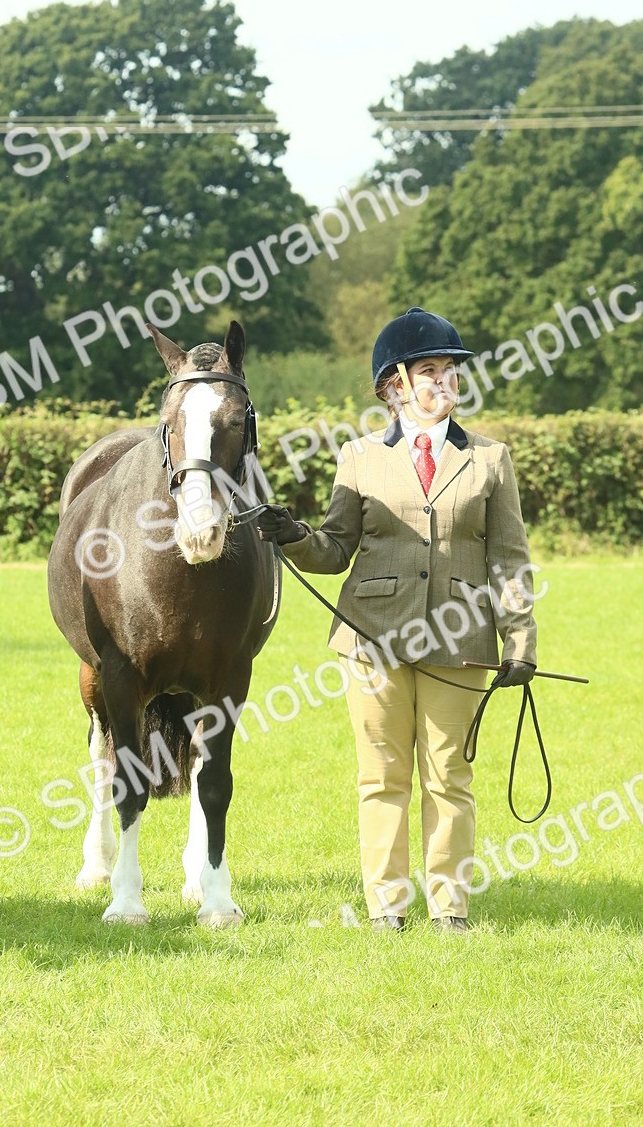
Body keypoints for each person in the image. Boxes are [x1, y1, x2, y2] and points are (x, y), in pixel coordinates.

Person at [258, 307, 538, 934]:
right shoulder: (358, 457)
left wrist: (520, 639)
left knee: (449, 776)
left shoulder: (491, 459)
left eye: (451, 372)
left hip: (460, 640)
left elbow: (511, 558)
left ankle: (450, 909)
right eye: (430, 371)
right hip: (372, 639)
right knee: (382, 777)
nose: (445, 382)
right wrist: (294, 535)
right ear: (395, 386)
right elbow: (334, 549)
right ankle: (387, 908)